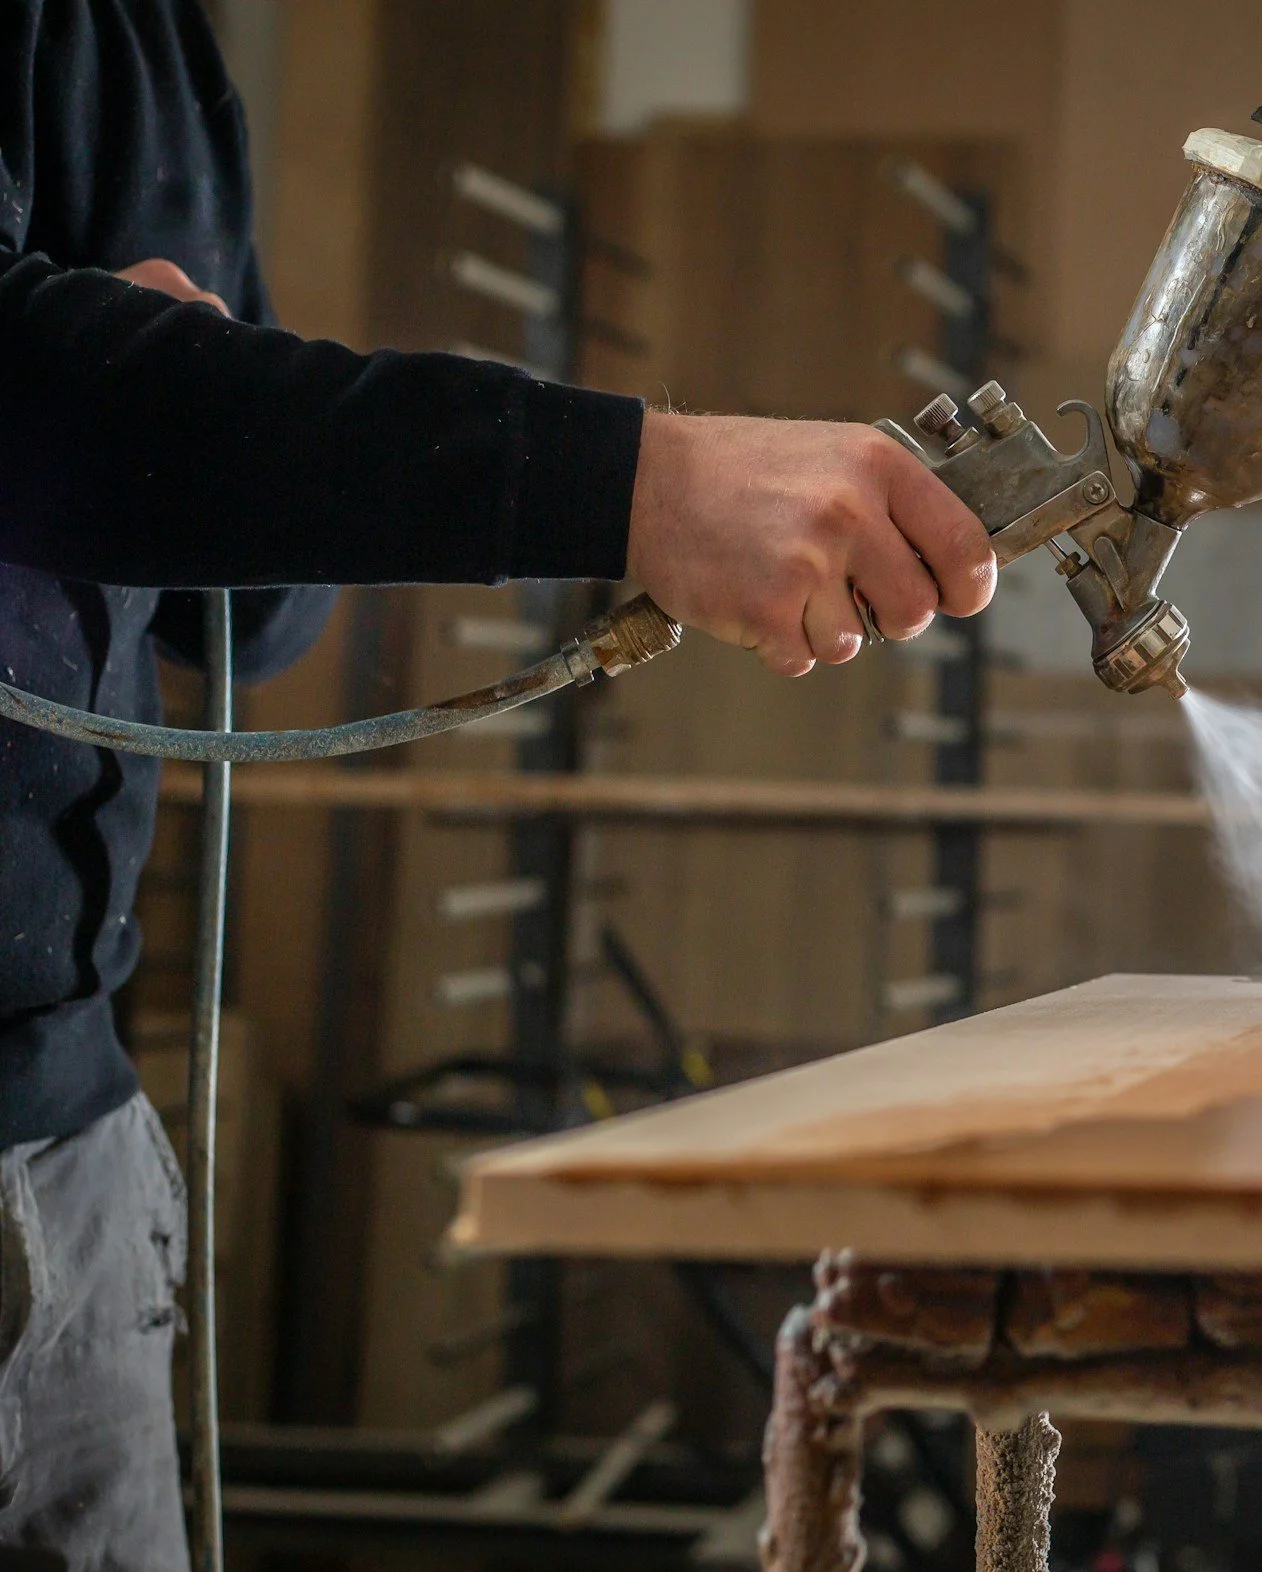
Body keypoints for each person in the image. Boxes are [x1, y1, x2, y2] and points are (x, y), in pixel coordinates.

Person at [0, 3, 994, 1564]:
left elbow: (261, 619)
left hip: (73, 1131)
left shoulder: (167, 53)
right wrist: (642, 483)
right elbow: (29, 397)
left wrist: (193, 399)